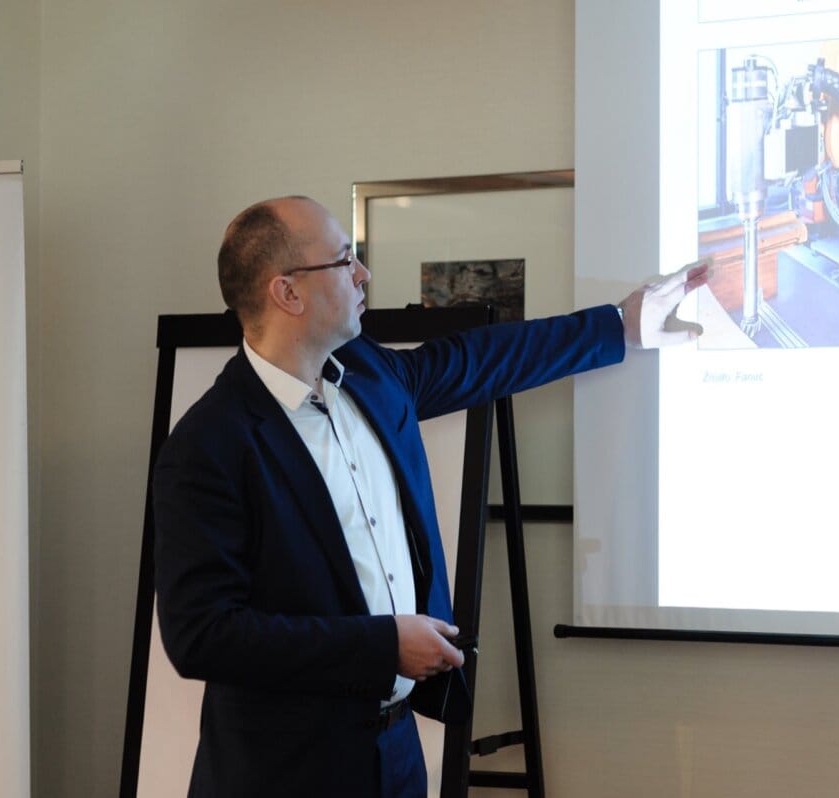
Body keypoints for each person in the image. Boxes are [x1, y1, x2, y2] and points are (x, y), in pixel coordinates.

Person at [152, 195, 708, 797]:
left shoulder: (367, 373)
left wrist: (617, 326)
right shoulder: (209, 444)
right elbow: (203, 635)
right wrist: (383, 645)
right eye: (344, 261)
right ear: (287, 293)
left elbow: (479, 361)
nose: (363, 274)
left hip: (395, 757)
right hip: (285, 772)